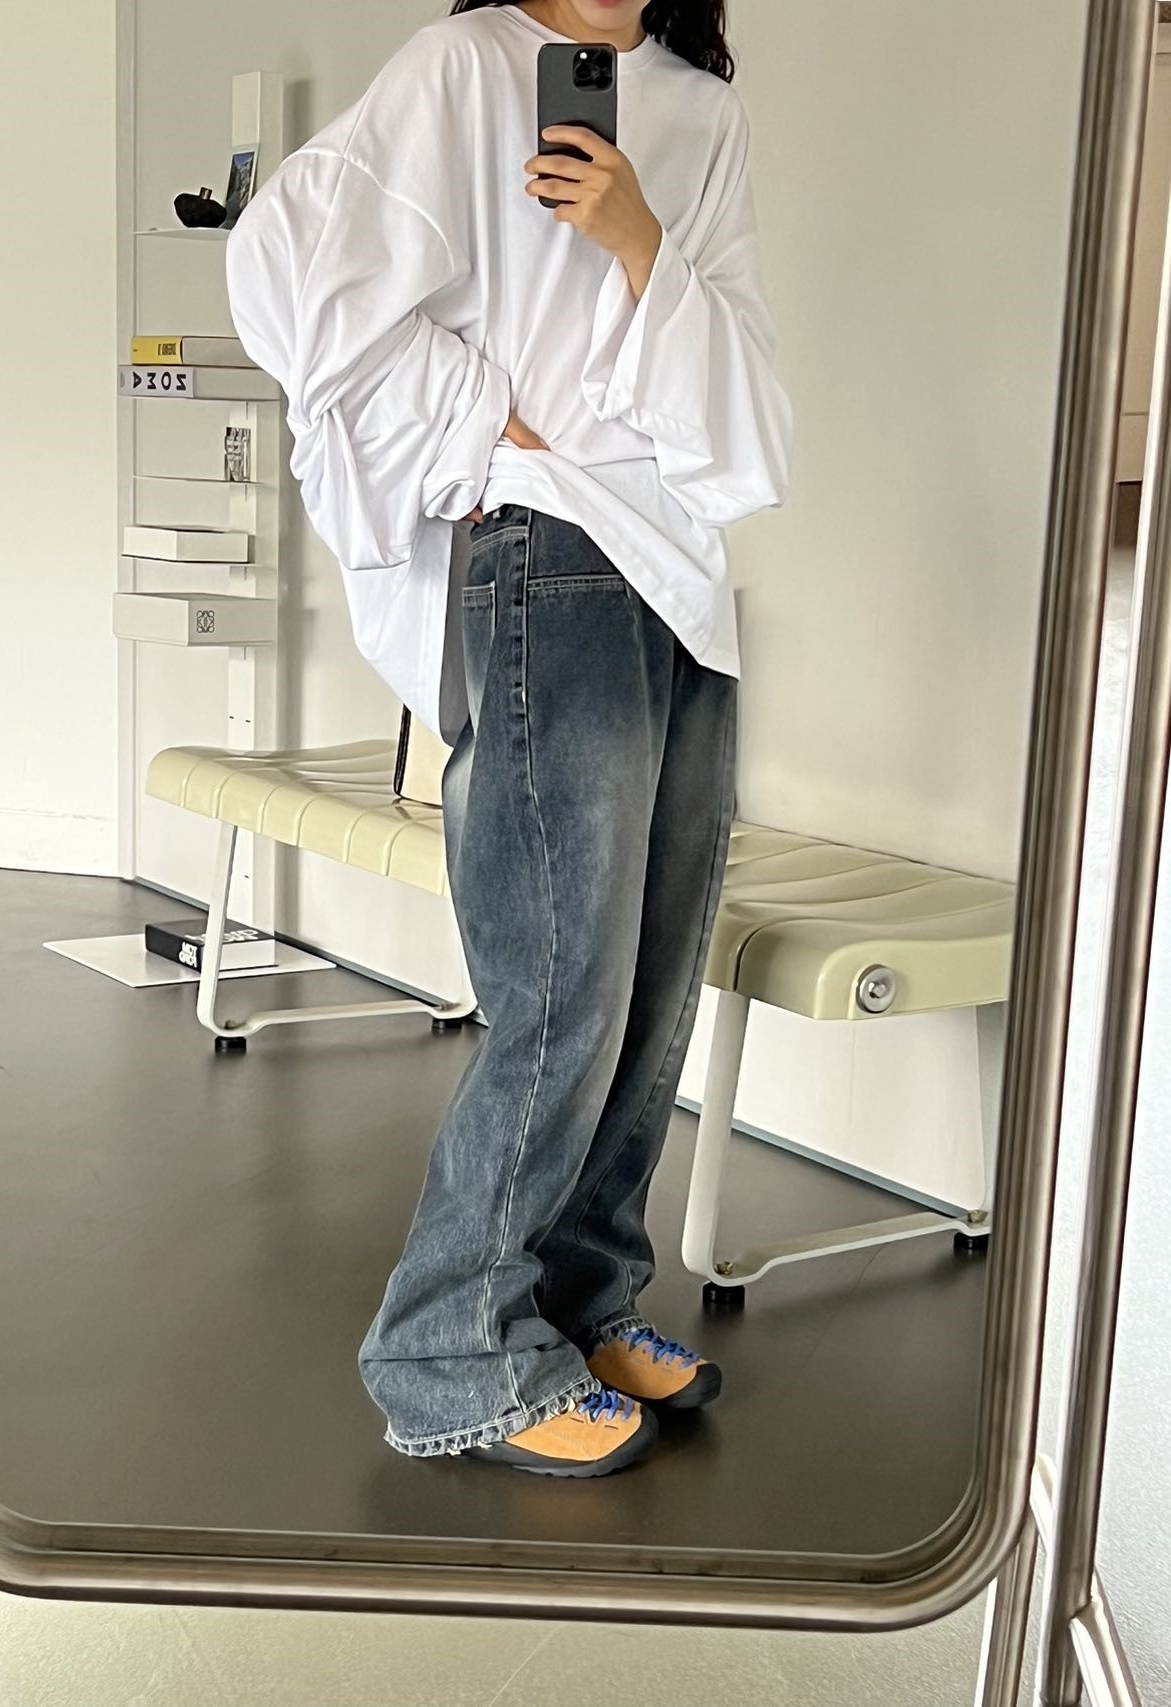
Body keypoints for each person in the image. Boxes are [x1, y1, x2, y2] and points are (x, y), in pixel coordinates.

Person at [225, 0, 792, 1478]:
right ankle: (450, 1353)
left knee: (649, 983)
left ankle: (582, 1298)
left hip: (683, 581)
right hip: (548, 548)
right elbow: (285, 269)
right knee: (560, 984)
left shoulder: (704, 113)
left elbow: (743, 387)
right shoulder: (464, 66)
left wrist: (636, 235)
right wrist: (480, 420)